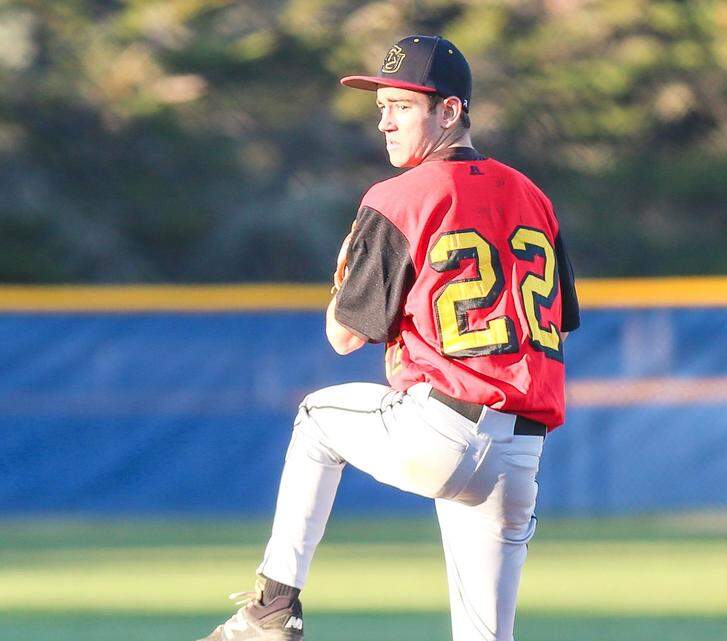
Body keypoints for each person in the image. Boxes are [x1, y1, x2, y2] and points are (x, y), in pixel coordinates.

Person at [196, 34, 579, 641]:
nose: (385, 122)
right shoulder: (535, 197)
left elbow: (344, 336)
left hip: (441, 429)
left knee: (316, 418)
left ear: (449, 111)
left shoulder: (400, 196)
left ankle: (273, 607)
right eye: (381, 108)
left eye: (402, 106)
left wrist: (346, 271)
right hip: (519, 453)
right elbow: (554, 321)